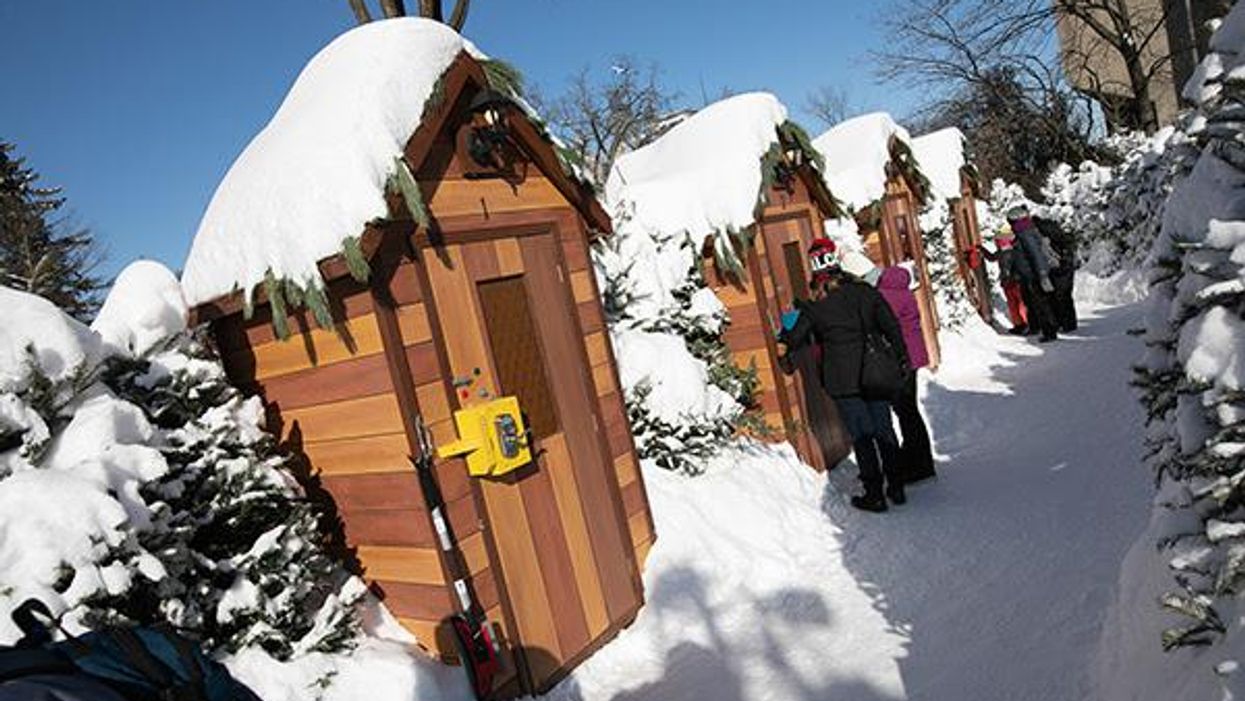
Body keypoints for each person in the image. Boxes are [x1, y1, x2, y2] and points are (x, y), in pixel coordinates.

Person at [781, 238, 910, 513]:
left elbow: (794, 339)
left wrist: (786, 325)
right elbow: (891, 326)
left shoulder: (816, 308)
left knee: (861, 436)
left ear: (815, 272)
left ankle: (874, 493)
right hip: (874, 371)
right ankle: (896, 486)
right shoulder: (865, 293)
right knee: (883, 428)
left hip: (842, 381)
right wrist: (901, 358)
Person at [876, 265, 935, 483]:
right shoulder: (905, 294)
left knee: (905, 411)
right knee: (909, 410)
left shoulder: (887, 297)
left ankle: (917, 462)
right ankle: (919, 458)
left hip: (901, 360)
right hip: (914, 358)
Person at [1006, 205, 1060, 342]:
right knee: (1031, 303)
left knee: (1041, 303)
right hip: (1027, 276)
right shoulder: (1023, 232)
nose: (1010, 225)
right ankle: (1036, 327)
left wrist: (1042, 275)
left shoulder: (1026, 233)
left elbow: (1036, 255)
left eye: (1011, 222)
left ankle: (1049, 332)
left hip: (1034, 276)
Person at [979, 225, 1029, 334]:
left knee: (1020, 304)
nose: (997, 243)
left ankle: (1026, 323)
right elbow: (992, 257)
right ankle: (1019, 324)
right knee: (1013, 304)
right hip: (1008, 282)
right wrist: (982, 249)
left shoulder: (1015, 250)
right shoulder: (1002, 251)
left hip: (1016, 281)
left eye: (999, 240)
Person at [1035, 215, 1078, 332]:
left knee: (1058, 297)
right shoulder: (1054, 231)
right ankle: (1070, 323)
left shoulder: (1043, 234)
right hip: (1067, 266)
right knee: (1066, 297)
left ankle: (1063, 323)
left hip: (1058, 268)